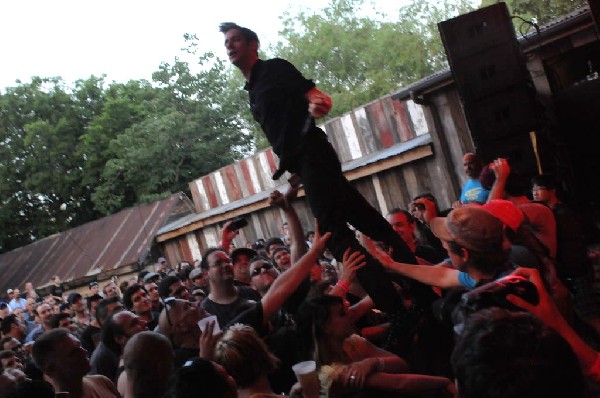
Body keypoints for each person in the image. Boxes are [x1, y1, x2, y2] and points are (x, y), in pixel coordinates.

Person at [219, 22, 435, 318]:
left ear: (253, 44)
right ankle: (422, 294)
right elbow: (286, 132)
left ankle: (398, 311)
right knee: (371, 223)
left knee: (334, 235)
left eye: (236, 40)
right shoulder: (253, 90)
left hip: (316, 156)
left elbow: (313, 94)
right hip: (306, 164)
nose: (229, 46)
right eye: (226, 42)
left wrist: (319, 102)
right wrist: (295, 176)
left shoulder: (276, 69)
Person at [32, 329, 119, 397]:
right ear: (51, 369)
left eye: (80, 346)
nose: (84, 352)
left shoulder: (101, 381)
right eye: (73, 352)